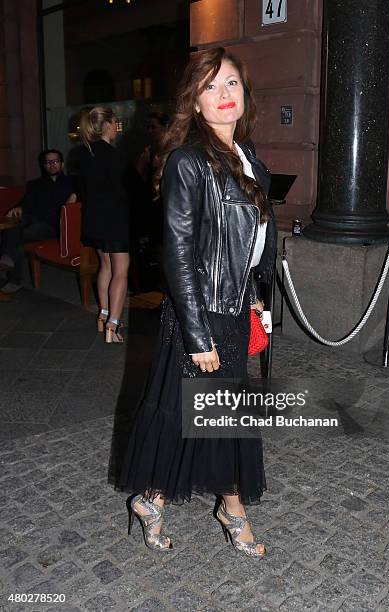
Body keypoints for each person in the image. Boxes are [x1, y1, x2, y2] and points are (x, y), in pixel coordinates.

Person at [118, 47, 277, 557]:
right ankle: (233, 510)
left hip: (231, 309)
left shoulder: (250, 159)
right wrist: (197, 334)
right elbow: (179, 255)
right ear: (196, 101)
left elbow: (246, 248)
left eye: (231, 83)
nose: (224, 95)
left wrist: (253, 299)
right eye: (210, 87)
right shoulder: (190, 160)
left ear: (245, 94)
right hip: (200, 315)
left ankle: (154, 500)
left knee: (208, 416)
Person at [76, 106, 130, 343]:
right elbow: (124, 190)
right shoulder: (114, 154)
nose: (117, 128)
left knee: (105, 266)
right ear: (107, 125)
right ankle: (113, 326)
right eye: (115, 123)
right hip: (115, 218)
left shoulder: (83, 153)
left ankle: (103, 316)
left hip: (94, 218)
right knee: (121, 270)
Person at [0, 149, 77, 292]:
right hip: (34, 220)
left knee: (17, 236)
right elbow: (26, 202)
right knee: (14, 224)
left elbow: (89, 191)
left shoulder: (73, 183)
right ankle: (8, 258)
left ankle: (13, 273)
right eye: (48, 162)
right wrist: (19, 208)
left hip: (54, 226)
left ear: (62, 164)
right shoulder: (35, 184)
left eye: (55, 161)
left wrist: (75, 194)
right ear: (43, 165)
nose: (52, 165)